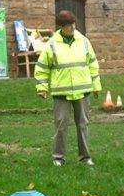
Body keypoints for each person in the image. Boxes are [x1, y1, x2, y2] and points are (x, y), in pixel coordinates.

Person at [34, 10, 101, 167]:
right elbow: (42, 68)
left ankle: (85, 157)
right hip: (61, 92)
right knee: (60, 125)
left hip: (83, 91)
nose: (72, 27)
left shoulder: (84, 41)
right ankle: (58, 157)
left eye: (73, 24)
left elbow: (93, 64)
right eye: (68, 25)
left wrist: (96, 85)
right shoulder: (51, 45)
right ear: (61, 27)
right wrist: (41, 88)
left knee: (83, 124)